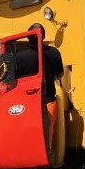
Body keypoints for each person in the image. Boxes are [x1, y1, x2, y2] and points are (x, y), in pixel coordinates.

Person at [14, 23, 65, 152]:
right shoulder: (54, 53)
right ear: (44, 36)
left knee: (28, 140)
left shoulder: (19, 57)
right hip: (48, 102)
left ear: (28, 37)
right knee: (46, 140)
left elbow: (11, 80)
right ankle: (47, 156)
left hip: (26, 105)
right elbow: (60, 74)